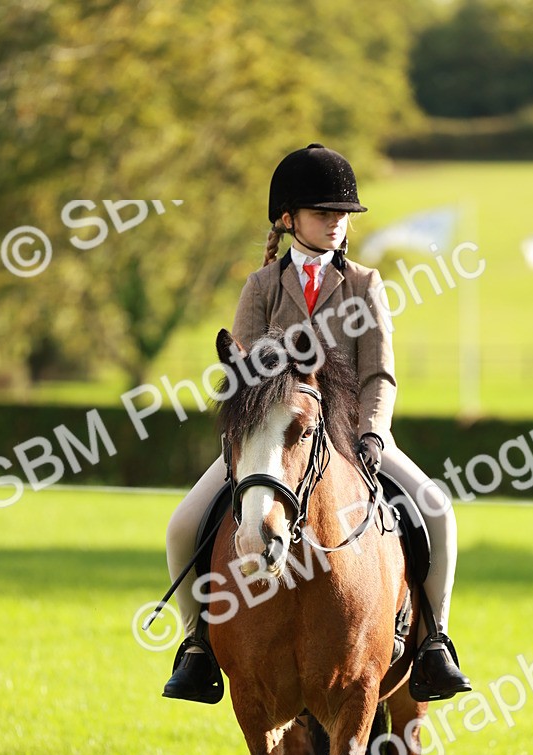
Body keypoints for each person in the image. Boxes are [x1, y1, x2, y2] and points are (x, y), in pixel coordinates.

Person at [162, 142, 471, 704]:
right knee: (182, 526)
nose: (337, 225)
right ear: (288, 219)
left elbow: (379, 374)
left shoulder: (364, 284)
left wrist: (373, 432)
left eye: (342, 216)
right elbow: (243, 379)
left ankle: (433, 642)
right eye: (324, 214)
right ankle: (198, 646)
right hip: (274, 443)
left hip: (354, 438)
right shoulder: (260, 288)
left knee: (437, 510)